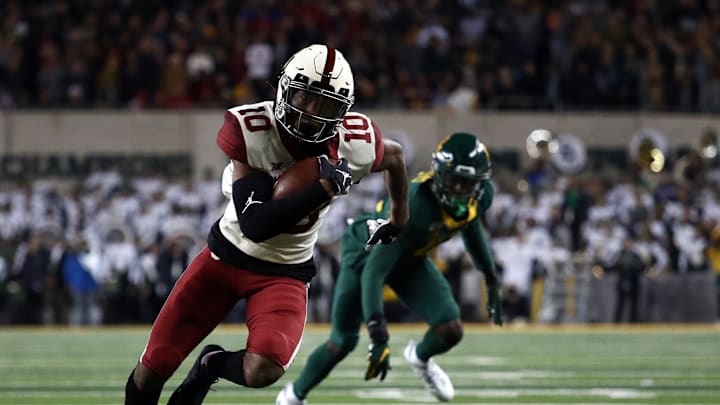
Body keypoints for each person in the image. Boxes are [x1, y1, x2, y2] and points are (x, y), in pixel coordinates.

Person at [124, 44, 409, 405]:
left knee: (264, 368)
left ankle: (210, 366)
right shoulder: (253, 129)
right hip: (225, 259)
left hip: (285, 272)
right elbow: (256, 225)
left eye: (325, 106)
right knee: (154, 367)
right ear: (284, 88)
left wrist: (399, 218)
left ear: (342, 112)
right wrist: (323, 188)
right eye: (304, 98)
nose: (309, 114)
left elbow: (395, 157)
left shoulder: (355, 142)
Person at [276, 132, 503, 405]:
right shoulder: (417, 207)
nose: (459, 190)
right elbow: (374, 272)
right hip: (367, 252)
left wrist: (491, 280)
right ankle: (292, 397)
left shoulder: (480, 198)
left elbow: (471, 227)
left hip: (410, 258)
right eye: (455, 180)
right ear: (440, 174)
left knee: (450, 328)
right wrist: (378, 336)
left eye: (468, 184)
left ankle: (419, 358)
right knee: (342, 342)